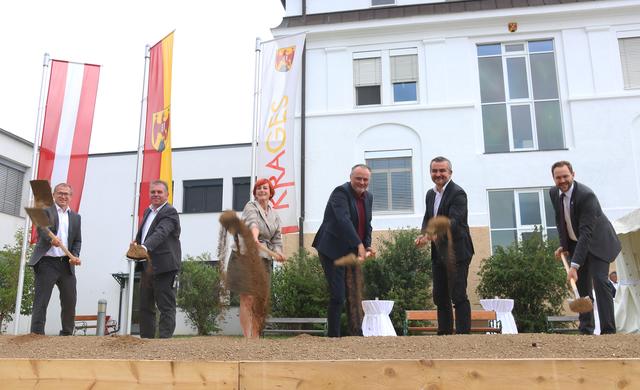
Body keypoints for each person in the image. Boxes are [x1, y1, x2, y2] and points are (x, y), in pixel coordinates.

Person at [549, 160, 621, 334]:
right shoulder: (553, 193)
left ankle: (608, 331)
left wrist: (574, 266)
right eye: (558, 177)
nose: (562, 181)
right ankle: (586, 329)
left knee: (599, 280)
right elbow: (561, 221)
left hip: (598, 242)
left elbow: (586, 233)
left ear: (573, 175)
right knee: (582, 286)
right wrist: (564, 245)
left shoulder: (586, 195)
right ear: (553, 178)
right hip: (577, 243)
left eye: (565, 176)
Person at [312, 164, 373, 337]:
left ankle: (356, 334)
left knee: (354, 292)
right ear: (351, 177)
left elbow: (367, 224)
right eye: (358, 178)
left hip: (352, 250)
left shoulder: (368, 197)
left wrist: (367, 244)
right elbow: (343, 220)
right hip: (332, 249)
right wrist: (358, 244)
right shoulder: (340, 193)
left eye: (365, 179)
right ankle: (334, 336)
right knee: (338, 294)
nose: (362, 182)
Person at [415, 156, 474, 335]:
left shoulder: (458, 193)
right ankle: (445, 334)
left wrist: (433, 235)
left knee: (458, 294)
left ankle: (463, 335)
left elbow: (454, 222)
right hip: (438, 253)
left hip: (458, 251)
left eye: (442, 171)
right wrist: (423, 235)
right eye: (435, 171)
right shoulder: (430, 194)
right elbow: (429, 218)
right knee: (440, 296)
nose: (438, 174)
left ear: (450, 172)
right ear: (430, 173)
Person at [226, 178, 284, 338]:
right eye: (258, 188)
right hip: (244, 256)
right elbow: (253, 223)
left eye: (265, 188)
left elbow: (277, 238)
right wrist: (254, 236)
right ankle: (248, 338)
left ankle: (256, 336)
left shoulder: (275, 215)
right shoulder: (250, 206)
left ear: (270, 192)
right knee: (248, 297)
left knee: (261, 299)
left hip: (263, 259)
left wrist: (278, 252)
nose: (261, 191)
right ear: (255, 193)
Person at [29, 183, 82, 335]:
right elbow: (42, 229)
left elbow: (77, 240)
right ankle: (37, 334)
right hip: (47, 263)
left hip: (66, 264)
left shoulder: (76, 217)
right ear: (54, 195)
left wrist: (75, 255)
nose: (63, 196)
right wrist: (50, 239)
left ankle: (66, 334)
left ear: (71, 197)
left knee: (70, 301)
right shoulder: (45, 212)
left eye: (66, 194)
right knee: (41, 301)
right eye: (60, 193)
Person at [135, 180, 182, 338]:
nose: (155, 194)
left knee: (165, 305)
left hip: (165, 265)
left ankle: (164, 342)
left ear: (167, 195)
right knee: (145, 305)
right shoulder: (148, 212)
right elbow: (145, 235)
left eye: (159, 192)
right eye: (153, 192)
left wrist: (144, 247)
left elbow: (161, 233)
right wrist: (136, 245)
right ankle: (146, 339)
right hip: (147, 264)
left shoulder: (170, 212)